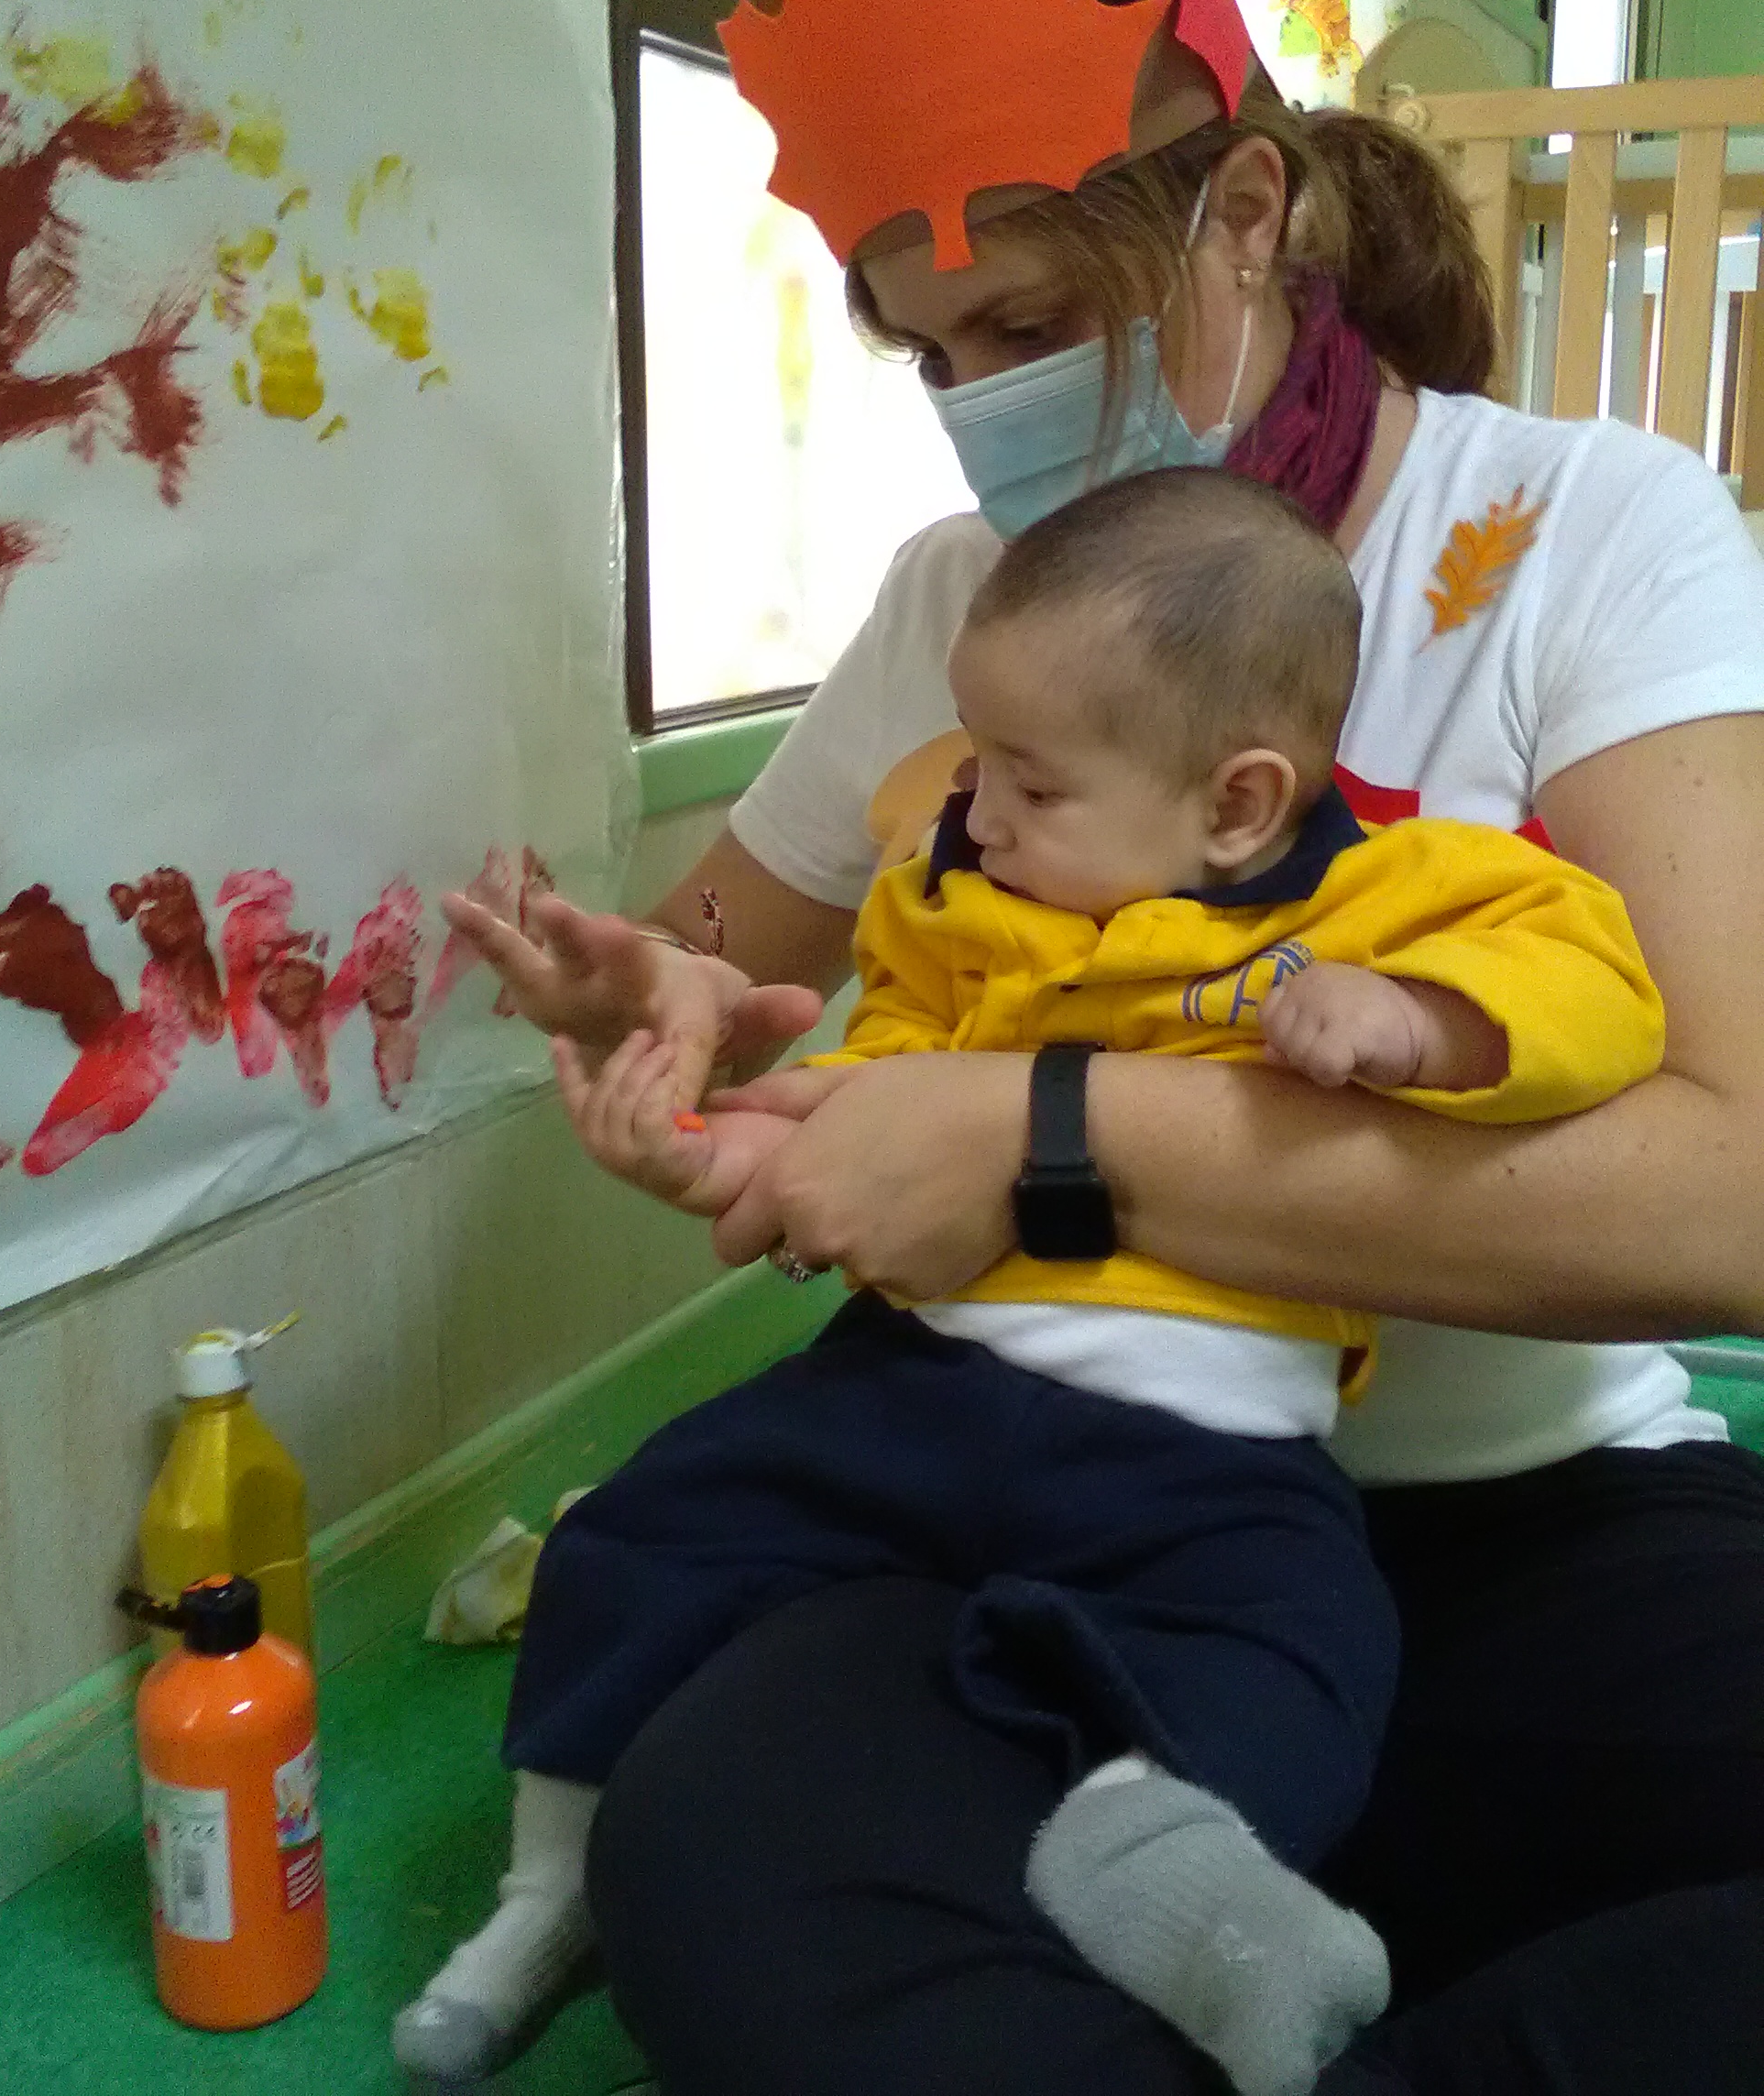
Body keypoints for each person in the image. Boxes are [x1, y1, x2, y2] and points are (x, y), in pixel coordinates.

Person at [412, 0, 1764, 2096]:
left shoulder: (1589, 533)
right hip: (1020, 1503)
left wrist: (1056, 1141)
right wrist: (671, 1019)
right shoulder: (962, 605)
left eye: (1027, 320)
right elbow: (735, 969)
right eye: (930, 357)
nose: (980, 412)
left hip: (1529, 1526)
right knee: (723, 1864)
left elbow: (1741, 1195)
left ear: (1250, 209)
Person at [396, 469, 1665, 2092]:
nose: (979, 811)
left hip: (1202, 1440)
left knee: (1303, 1653)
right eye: (976, 764)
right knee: (650, 1528)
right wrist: (708, 1089)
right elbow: (838, 1039)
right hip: (914, 1383)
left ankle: (1167, 1860)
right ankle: (547, 1886)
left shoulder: (1391, 890)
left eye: (1031, 787)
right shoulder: (961, 875)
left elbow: (1596, 983)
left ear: (1236, 802)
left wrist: (1419, 1026)